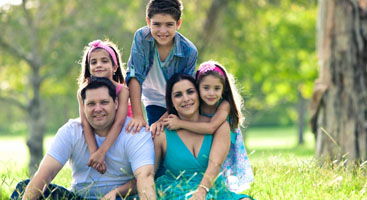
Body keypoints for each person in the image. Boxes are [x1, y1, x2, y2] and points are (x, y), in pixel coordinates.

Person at [11, 77, 156, 200]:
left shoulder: (135, 132)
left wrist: (116, 193)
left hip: (118, 198)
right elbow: (44, 174)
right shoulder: (71, 131)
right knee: (24, 188)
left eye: (104, 102)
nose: (97, 109)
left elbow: (145, 177)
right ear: (83, 106)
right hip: (79, 197)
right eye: (91, 104)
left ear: (116, 103)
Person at [156, 61, 254, 192]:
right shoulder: (194, 100)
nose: (211, 93)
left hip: (220, 137)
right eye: (206, 88)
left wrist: (180, 124)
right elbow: (173, 108)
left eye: (216, 88)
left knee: (218, 170)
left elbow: (211, 127)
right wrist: (157, 123)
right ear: (199, 87)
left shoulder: (224, 105)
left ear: (223, 88)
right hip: (179, 180)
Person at [125, 0, 198, 133]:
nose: (162, 31)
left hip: (180, 102)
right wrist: (138, 116)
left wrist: (161, 122)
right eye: (157, 24)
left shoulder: (189, 51)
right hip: (153, 99)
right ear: (148, 22)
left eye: (169, 24)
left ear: (178, 23)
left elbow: (184, 89)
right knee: (155, 136)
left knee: (175, 138)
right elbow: (135, 75)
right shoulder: (142, 38)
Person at [78, 39, 131, 174]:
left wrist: (102, 151)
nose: (98, 65)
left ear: (114, 67)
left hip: (123, 135)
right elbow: (85, 123)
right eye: (93, 62)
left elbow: (119, 122)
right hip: (100, 133)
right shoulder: (83, 92)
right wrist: (94, 153)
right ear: (88, 68)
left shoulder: (122, 91)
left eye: (104, 61)